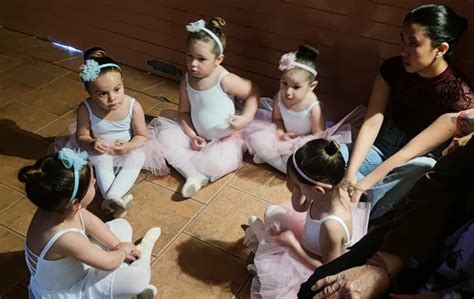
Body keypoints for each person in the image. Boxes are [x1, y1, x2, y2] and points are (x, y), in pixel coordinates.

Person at [297, 111, 474, 298]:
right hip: (425, 242)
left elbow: (411, 156)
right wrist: (382, 266)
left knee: (422, 166)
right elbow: (443, 184)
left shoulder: (331, 227)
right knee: (314, 291)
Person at [340, 4, 473, 220]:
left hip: (413, 160)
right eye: (404, 41)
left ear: (441, 49)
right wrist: (348, 174)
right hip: (383, 146)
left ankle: (359, 210)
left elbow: (410, 152)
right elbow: (373, 122)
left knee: (423, 168)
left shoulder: (460, 97)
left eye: (414, 44)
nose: (404, 51)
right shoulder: (393, 69)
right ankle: (351, 198)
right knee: (327, 158)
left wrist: (363, 183)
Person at [21, 148, 161, 298]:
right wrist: (123, 251)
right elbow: (107, 263)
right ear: (76, 203)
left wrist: (116, 245)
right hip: (71, 291)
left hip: (74, 269)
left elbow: (93, 224)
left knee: (121, 225)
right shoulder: (65, 238)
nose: (95, 183)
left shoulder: (55, 208)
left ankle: (123, 279)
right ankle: (144, 251)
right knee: (136, 279)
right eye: (92, 185)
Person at [244, 139, 370, 298]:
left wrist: (293, 245)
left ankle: (262, 255)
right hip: (313, 240)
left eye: (297, 185)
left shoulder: (331, 226)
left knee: (275, 267)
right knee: (272, 213)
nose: (293, 188)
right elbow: (300, 208)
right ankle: (264, 249)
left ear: (318, 190)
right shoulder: (331, 190)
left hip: (312, 265)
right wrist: (298, 190)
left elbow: (329, 269)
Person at [148, 17, 259, 198]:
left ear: (218, 59)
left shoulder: (225, 80)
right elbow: (183, 112)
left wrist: (246, 118)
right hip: (197, 134)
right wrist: (192, 136)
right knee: (164, 136)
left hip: (225, 138)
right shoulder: (186, 79)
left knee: (216, 164)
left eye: (201, 59)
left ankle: (196, 170)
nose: (193, 64)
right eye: (189, 56)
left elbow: (253, 92)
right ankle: (193, 174)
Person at [245, 44, 365, 173]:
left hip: (305, 140)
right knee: (256, 138)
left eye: (296, 87)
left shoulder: (314, 107)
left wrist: (298, 143)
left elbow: (318, 135)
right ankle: (280, 161)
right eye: (284, 83)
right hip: (285, 134)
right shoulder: (279, 96)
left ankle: (279, 162)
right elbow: (277, 119)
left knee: (300, 159)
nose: (288, 92)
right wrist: (281, 134)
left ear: (312, 86)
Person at [74, 47, 165, 217]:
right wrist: (92, 142)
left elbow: (142, 135)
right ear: (90, 92)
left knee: (139, 156)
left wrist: (130, 146)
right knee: (101, 159)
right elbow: (81, 136)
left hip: (127, 147)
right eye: (102, 93)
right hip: (101, 149)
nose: (112, 98)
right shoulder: (85, 109)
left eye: (117, 89)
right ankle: (114, 201)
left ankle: (112, 198)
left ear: (123, 82)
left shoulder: (133, 106)